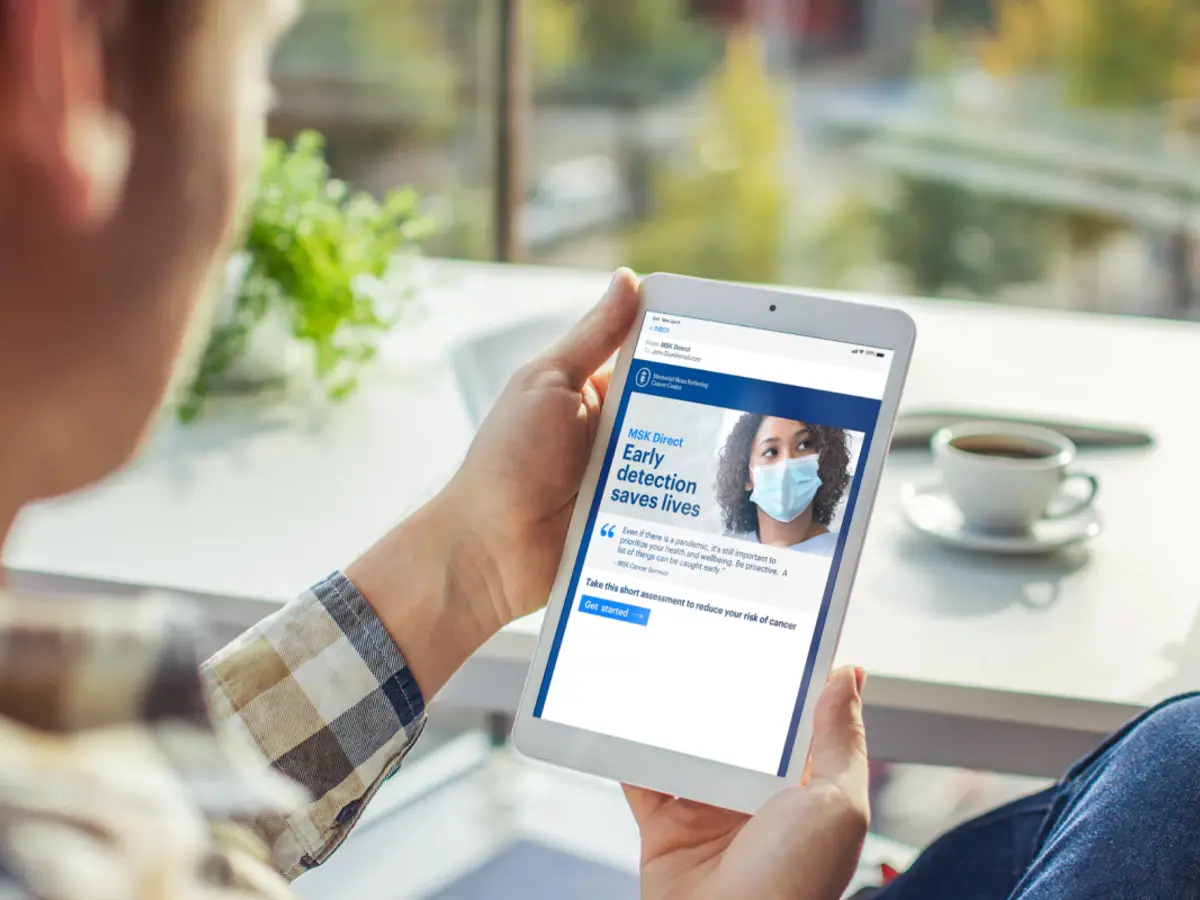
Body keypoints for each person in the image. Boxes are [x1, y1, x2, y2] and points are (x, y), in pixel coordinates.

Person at [1, 4, 1197, 900]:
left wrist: (471, 559)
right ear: (66, 74)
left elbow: (173, 808)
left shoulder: (73, 798)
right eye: (258, 67)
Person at [716, 414, 851, 556]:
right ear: (746, 476)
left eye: (804, 445)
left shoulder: (844, 555)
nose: (787, 462)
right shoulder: (727, 550)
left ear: (823, 459)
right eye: (771, 452)